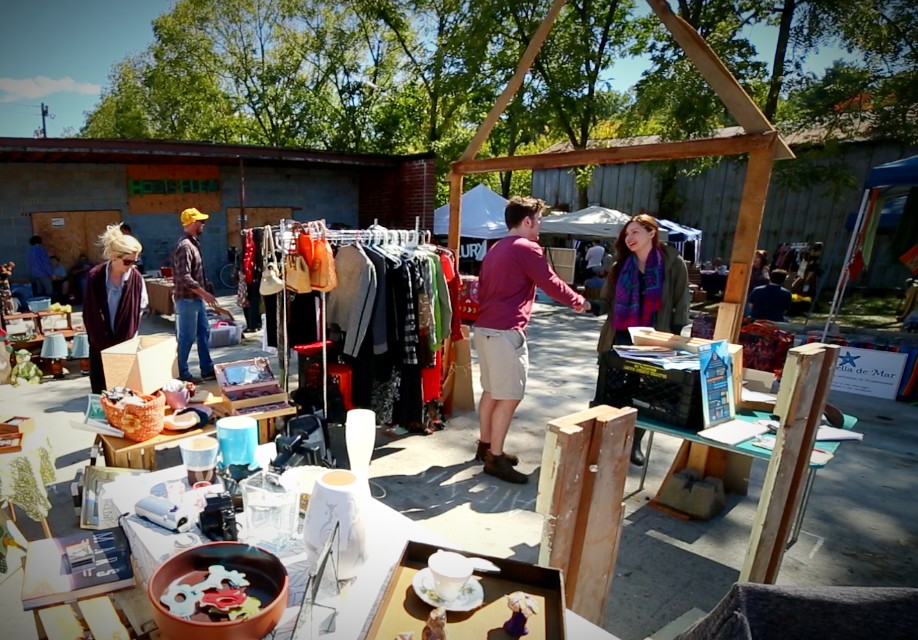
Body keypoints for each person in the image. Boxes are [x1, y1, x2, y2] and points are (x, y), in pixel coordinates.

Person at [473, 196, 588, 484]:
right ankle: (495, 459)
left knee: (491, 391)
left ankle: (486, 446)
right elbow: (550, 281)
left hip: (485, 328)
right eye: (539, 221)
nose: (540, 227)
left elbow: (482, 288)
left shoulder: (496, 248)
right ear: (527, 221)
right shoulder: (527, 248)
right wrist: (579, 302)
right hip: (506, 331)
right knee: (510, 395)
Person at [593, 214, 690, 465]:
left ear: (651, 233)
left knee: (646, 394)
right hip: (620, 336)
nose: (629, 238)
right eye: (627, 234)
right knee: (612, 390)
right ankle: (606, 440)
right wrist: (590, 305)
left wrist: (674, 337)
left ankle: (634, 443)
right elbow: (606, 301)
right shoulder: (620, 266)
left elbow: (681, 302)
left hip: (654, 339)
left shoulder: (672, 263)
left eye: (635, 232)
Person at [82, 224, 148, 394]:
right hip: (99, 344)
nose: (132, 266)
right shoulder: (95, 277)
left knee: (126, 395)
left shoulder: (136, 278)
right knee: (102, 392)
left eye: (135, 261)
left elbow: (140, 307)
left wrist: (131, 338)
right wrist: (98, 339)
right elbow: (89, 312)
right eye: (128, 261)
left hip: (125, 345)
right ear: (113, 257)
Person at [173, 207, 217, 383]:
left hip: (195, 299)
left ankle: (206, 368)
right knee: (187, 337)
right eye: (200, 221)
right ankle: (182, 373)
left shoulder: (192, 243)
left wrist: (205, 289)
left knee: (203, 334)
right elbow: (184, 277)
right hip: (187, 300)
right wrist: (204, 293)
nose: (204, 224)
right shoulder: (185, 246)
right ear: (192, 223)